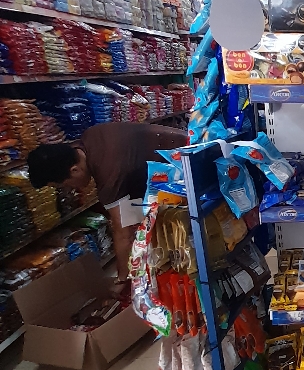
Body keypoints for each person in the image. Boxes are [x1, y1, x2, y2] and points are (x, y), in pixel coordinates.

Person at [28, 121, 187, 285]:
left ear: (74, 170)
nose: (70, 189)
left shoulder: (108, 176)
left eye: (64, 185)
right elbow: (131, 199)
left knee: (184, 240)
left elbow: (123, 233)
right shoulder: (91, 136)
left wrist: (122, 279)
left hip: (186, 165)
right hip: (186, 143)